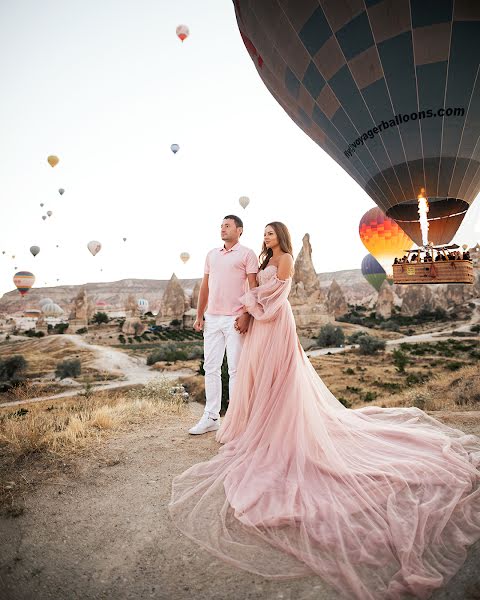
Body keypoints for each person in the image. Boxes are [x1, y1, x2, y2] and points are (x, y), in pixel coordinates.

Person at [169, 222, 480, 600]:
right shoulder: (264, 256)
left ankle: (273, 428)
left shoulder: (283, 259)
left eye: (269, 233)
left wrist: (249, 305)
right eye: (263, 234)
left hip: (274, 321)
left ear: (279, 237)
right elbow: (256, 288)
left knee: (277, 377)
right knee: (257, 376)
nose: (265, 238)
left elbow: (278, 293)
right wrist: (248, 304)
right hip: (259, 322)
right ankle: (250, 422)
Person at [188, 215, 258, 435]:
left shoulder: (248, 254)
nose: (222, 229)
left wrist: (247, 314)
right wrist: (200, 315)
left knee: (236, 370)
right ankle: (211, 417)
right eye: (221, 226)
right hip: (212, 318)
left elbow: (253, 287)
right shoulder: (211, 255)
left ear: (240, 230)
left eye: (227, 226)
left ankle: (236, 420)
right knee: (211, 368)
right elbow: (205, 287)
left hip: (235, 319)